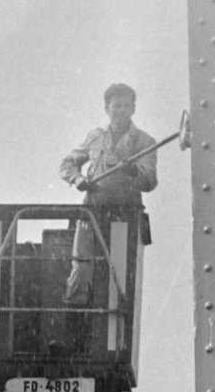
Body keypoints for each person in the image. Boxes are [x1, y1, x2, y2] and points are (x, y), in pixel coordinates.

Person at [59, 83, 158, 305]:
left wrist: (132, 171)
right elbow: (67, 164)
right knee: (81, 269)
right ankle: (77, 318)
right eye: (116, 106)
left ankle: (116, 322)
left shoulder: (145, 142)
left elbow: (150, 180)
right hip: (92, 214)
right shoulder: (95, 137)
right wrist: (78, 179)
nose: (121, 110)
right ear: (107, 109)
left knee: (120, 279)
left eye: (126, 106)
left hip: (125, 217)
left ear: (133, 109)